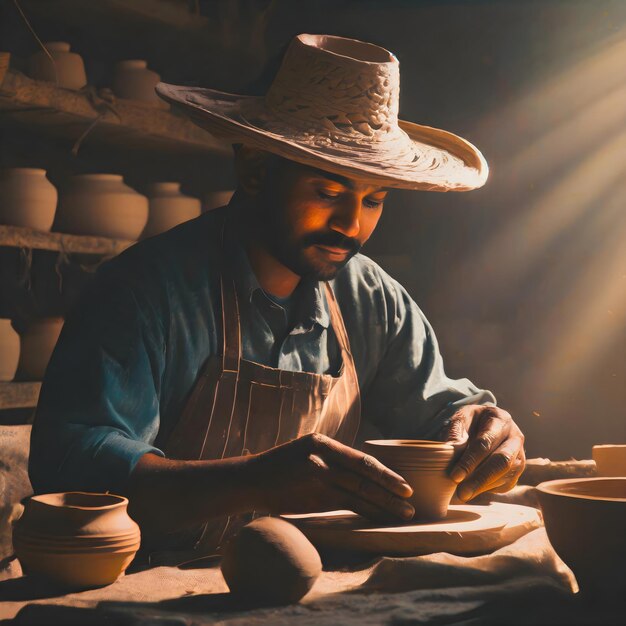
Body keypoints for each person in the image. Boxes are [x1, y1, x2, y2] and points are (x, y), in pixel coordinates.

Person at [29, 34, 525, 555]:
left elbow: (444, 417)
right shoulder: (144, 293)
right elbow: (73, 469)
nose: (351, 225)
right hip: (142, 587)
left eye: (373, 200)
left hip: (313, 589)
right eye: (328, 193)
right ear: (255, 171)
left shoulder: (372, 299)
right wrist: (255, 481)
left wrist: (486, 434)